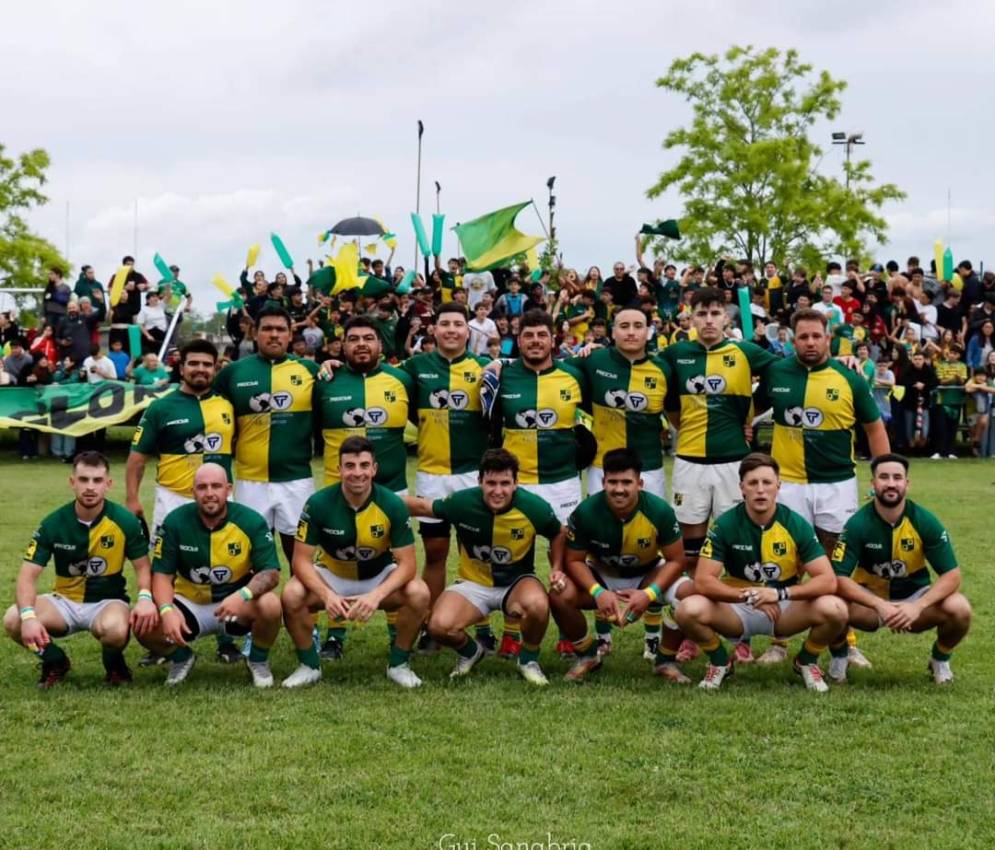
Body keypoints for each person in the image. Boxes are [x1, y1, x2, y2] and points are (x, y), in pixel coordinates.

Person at [754, 309, 889, 665]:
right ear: (791, 340)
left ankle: (845, 642)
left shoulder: (850, 377)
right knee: (783, 562)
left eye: (817, 336)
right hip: (790, 483)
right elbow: (747, 409)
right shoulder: (776, 372)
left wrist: (883, 474)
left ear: (828, 338)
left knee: (836, 565)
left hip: (837, 484)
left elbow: (874, 428)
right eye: (803, 337)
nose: (810, 342)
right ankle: (778, 641)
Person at [674, 453, 847, 692]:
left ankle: (806, 661)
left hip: (783, 609)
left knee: (835, 608)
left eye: (767, 483)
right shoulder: (726, 524)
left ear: (778, 486)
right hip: (737, 608)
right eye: (753, 483)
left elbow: (827, 580)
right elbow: (703, 581)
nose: (760, 490)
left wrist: (779, 594)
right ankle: (720, 662)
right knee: (687, 610)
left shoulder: (795, 524)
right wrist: (750, 596)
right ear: (741, 487)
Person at [403, 448, 565, 686]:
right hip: (473, 583)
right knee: (438, 626)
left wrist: (557, 566)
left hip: (516, 583)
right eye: (491, 483)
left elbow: (558, 533)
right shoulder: (462, 502)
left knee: (538, 605)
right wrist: (375, 498)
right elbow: (424, 508)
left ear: (516, 483)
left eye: (504, 483)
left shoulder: (534, 507)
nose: (497, 491)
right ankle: (470, 651)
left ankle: (528, 660)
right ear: (480, 481)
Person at [281, 437, 429, 689]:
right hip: (333, 574)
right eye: (349, 466)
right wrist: (326, 595)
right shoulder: (317, 503)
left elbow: (407, 565)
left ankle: (399, 664)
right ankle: (309, 665)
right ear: (339, 469)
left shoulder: (392, 504)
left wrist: (376, 595)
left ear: (374, 469)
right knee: (292, 593)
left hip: (378, 575)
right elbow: (301, 562)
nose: (357, 473)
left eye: (363, 465)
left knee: (419, 593)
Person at [3, 452, 156, 687]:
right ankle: (55, 661)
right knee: (14, 619)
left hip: (108, 602)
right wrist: (29, 617)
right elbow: (27, 576)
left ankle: (114, 663)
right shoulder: (53, 523)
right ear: (72, 482)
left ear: (108, 484)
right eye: (83, 480)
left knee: (115, 630)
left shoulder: (125, 521)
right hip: (63, 602)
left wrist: (145, 598)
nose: (90, 487)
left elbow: (143, 567)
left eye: (97, 480)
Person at [829, 454, 971, 684]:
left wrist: (918, 606)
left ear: (907, 483)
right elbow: (838, 578)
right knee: (831, 604)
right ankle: (839, 657)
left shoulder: (925, 521)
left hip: (913, 600)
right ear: (873, 484)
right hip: (870, 601)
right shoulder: (857, 524)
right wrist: (879, 605)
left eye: (897, 477)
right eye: (884, 477)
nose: (891, 483)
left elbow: (952, 575)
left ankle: (940, 660)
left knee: (960, 608)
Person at [550, 448, 689, 682]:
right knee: (558, 594)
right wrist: (598, 591)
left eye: (627, 482)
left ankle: (666, 660)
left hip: (648, 574)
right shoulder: (586, 511)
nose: (619, 489)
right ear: (603, 482)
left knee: (689, 594)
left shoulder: (660, 510)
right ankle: (587, 654)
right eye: (613, 482)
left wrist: (649, 593)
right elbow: (573, 560)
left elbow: (677, 560)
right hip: (603, 575)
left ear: (640, 483)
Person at [140, 464, 283, 687]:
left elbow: (271, 573)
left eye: (216, 486)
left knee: (271, 605)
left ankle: (257, 659)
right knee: (143, 622)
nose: (209, 493)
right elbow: (161, 575)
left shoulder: (251, 521)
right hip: (190, 602)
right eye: (202, 487)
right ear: (193, 491)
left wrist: (243, 595)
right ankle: (181, 657)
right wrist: (166, 610)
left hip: (237, 604)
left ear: (228, 489)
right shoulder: (174, 522)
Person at [213, 306, 319, 563]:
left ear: (290, 334)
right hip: (251, 481)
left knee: (301, 560)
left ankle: (297, 604)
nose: (274, 335)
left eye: (280, 329)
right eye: (267, 329)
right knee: (250, 560)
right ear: (254, 333)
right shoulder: (232, 373)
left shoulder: (311, 372)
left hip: (297, 481)